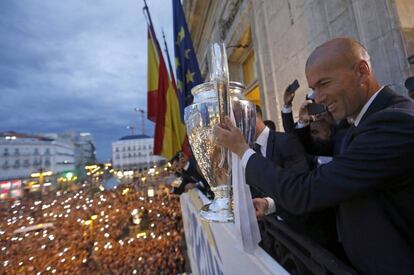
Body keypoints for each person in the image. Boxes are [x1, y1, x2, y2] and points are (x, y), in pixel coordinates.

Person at [214, 37, 414, 274]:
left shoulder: (394, 123)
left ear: (362, 71)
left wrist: (242, 151)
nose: (318, 98)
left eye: (324, 83)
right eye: (314, 88)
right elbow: (333, 185)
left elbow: (306, 191)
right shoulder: (361, 123)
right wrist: (271, 204)